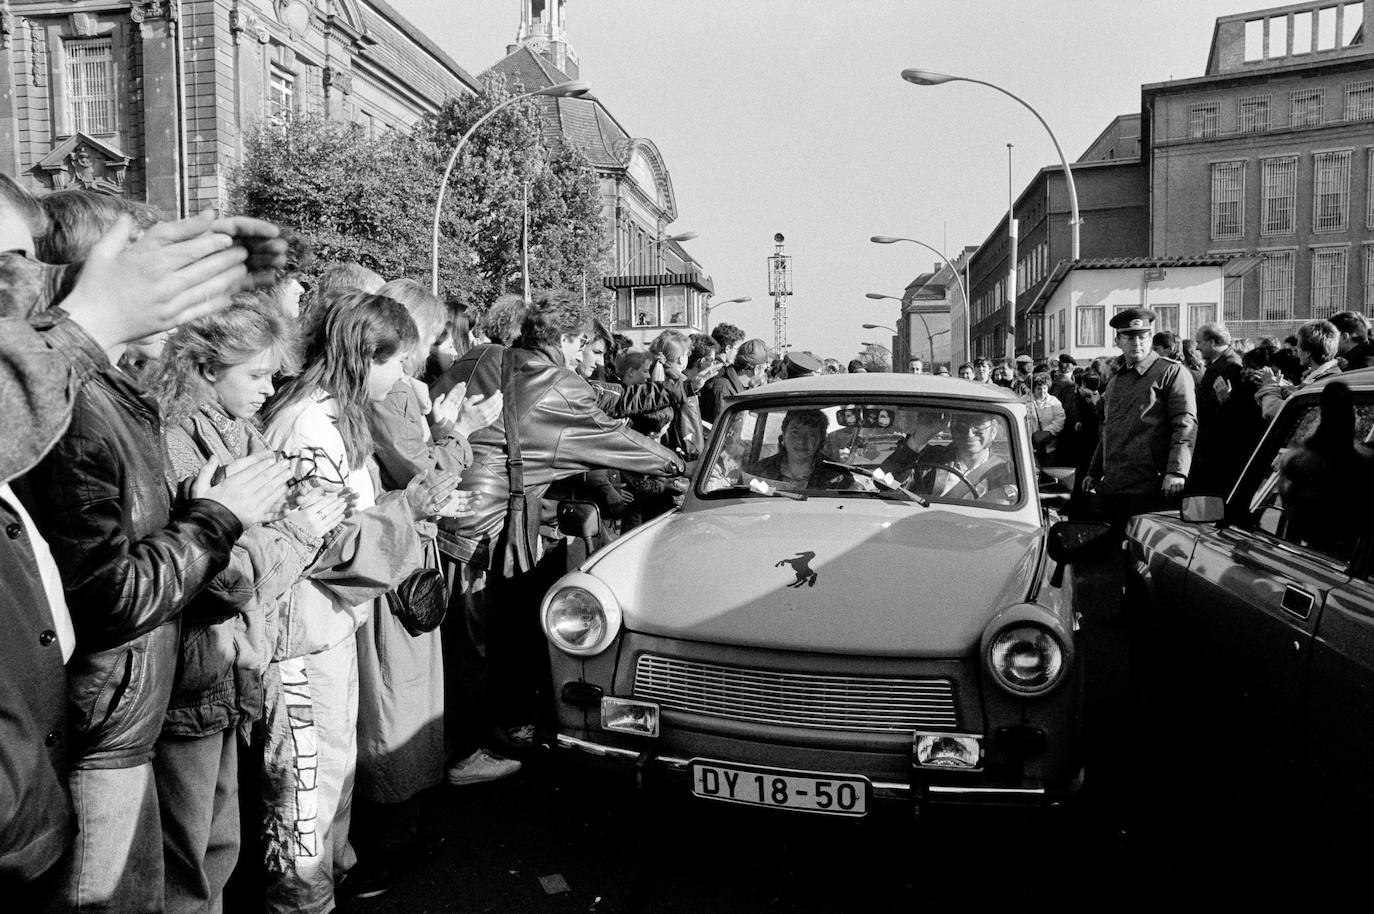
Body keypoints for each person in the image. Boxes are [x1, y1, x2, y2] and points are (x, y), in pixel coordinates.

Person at [0, 182, 287, 904]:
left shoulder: (110, 397)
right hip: (105, 730)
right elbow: (111, 595)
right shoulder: (77, 407)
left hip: (123, 717)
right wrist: (218, 519)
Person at [258, 294, 462, 913]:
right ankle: (302, 901)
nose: (405, 377)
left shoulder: (337, 416)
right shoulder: (308, 424)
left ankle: (325, 885)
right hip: (302, 632)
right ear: (362, 355)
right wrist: (414, 507)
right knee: (305, 787)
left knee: (333, 772)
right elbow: (327, 546)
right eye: (396, 362)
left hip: (331, 624)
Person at [431, 291, 684, 787]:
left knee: (456, 644)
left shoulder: (480, 356)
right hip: (481, 525)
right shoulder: (557, 382)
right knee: (474, 646)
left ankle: (463, 742)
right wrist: (686, 469)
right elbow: (619, 442)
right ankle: (464, 754)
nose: (584, 357)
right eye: (583, 345)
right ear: (567, 339)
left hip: (440, 501)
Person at [152, 296, 347, 914]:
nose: (271, 387)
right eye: (257, 374)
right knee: (191, 858)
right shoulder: (176, 438)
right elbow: (226, 581)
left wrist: (294, 526)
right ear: (208, 367)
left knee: (218, 846)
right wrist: (300, 532)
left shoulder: (238, 429)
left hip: (230, 666)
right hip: (194, 671)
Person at [1084, 307, 1197, 525]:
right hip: (1115, 485)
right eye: (1130, 338)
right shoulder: (1117, 380)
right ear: (1118, 341)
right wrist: (1094, 471)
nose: (1137, 343)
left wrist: (1177, 471)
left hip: (1150, 487)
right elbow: (1108, 429)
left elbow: (1185, 424)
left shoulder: (1171, 372)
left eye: (1143, 337)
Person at [879, 410, 1018, 503]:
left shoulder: (1007, 470)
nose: (969, 433)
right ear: (951, 428)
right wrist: (920, 437)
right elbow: (884, 482)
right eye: (962, 424)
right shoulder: (929, 459)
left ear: (993, 430)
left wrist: (1005, 494)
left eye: (978, 424)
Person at [1191, 321, 1258, 497]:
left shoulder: (1230, 366)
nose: (1197, 348)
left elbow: (1234, 412)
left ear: (1212, 342)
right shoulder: (1221, 363)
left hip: (1219, 448)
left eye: (1199, 342)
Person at [744, 409, 855, 492]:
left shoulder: (837, 476)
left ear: (820, 439)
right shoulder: (759, 472)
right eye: (795, 432)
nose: (802, 441)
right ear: (784, 434)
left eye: (811, 435)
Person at [1256, 319, 1342, 422]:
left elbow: (1274, 412)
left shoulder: (1322, 382)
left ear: (1308, 353)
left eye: (1299, 346)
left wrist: (1270, 386)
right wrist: (1285, 388)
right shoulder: (1328, 375)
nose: (1296, 349)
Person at [701, 338, 768, 424]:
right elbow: (726, 426)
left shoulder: (736, 385)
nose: (764, 375)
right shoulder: (722, 388)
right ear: (757, 369)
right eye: (764, 370)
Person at [1022, 371, 1066, 463]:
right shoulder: (1023, 401)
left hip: (1049, 448)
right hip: (1028, 446)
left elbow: (1059, 420)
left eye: (1044, 388)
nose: (1042, 391)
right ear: (1033, 389)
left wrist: (1046, 433)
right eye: (1039, 388)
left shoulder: (1054, 402)